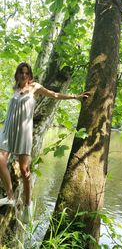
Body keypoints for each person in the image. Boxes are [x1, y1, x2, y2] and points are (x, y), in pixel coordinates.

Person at [0, 62, 89, 222]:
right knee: (0, 160)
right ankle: (11, 196)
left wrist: (75, 97)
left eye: (27, 73)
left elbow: (54, 95)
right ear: (17, 74)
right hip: (8, 130)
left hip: (23, 132)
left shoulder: (35, 87)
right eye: (21, 73)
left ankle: (28, 203)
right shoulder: (15, 89)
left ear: (30, 75)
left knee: (25, 171)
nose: (24, 75)